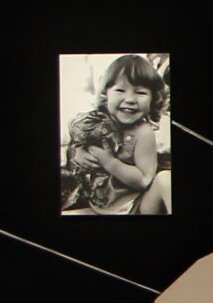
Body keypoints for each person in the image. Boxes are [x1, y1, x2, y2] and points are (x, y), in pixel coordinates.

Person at [61, 54, 171, 215]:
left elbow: (144, 180)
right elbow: (75, 144)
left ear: (153, 99)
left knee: (166, 180)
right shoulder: (96, 121)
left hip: (136, 206)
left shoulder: (143, 132)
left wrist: (109, 161)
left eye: (140, 93)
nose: (130, 99)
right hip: (100, 206)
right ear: (106, 94)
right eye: (120, 90)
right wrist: (79, 154)